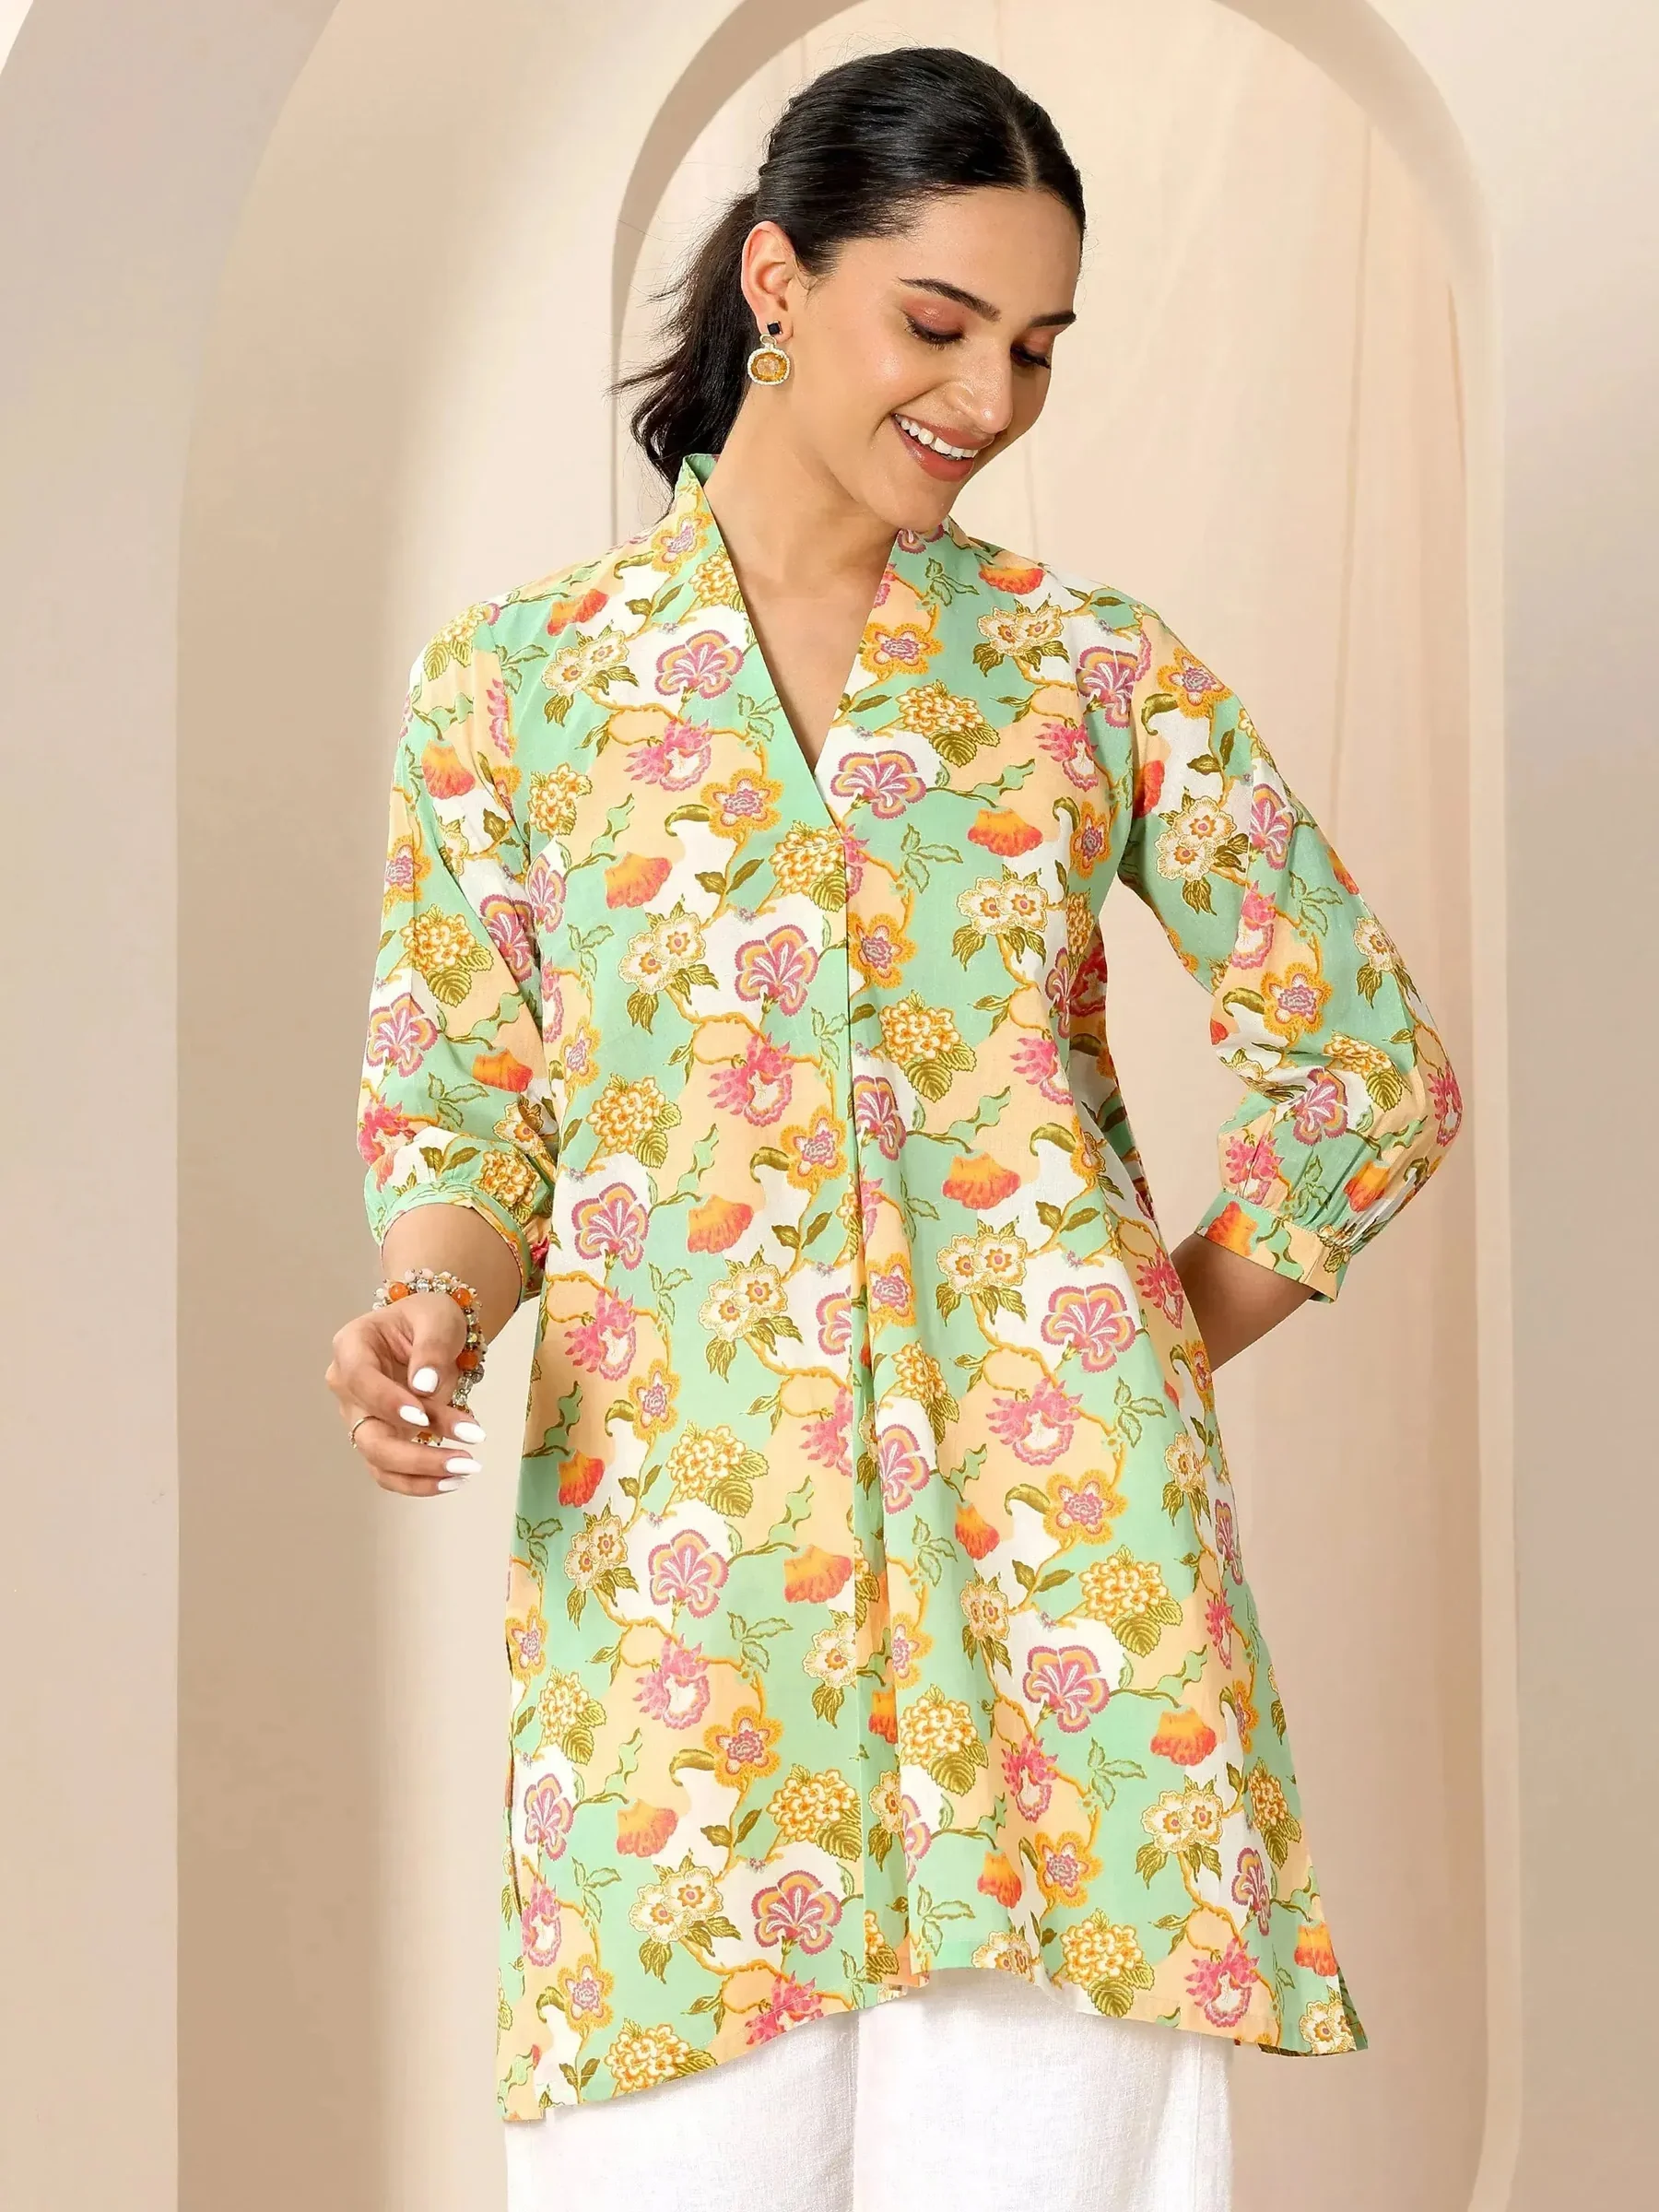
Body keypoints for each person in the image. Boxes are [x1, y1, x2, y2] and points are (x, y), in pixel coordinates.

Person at [325, 44, 1464, 2212]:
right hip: (686, 1640)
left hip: (1067, 1627)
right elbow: (465, 1109)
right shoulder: (523, 686)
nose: (990, 396)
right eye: (939, 323)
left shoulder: (1088, 674)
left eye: (1035, 345)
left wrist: (1121, 1347)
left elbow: (1367, 1073)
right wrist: (428, 1310)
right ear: (779, 279)